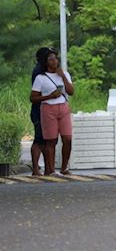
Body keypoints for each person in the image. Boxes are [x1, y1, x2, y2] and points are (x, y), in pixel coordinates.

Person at [30, 48, 75, 176]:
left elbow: (71, 92)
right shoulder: (40, 77)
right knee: (51, 140)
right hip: (48, 108)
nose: (54, 61)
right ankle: (50, 170)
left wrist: (63, 77)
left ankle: (64, 167)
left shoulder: (64, 74)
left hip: (64, 107)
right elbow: (33, 98)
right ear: (45, 62)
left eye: (56, 58)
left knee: (67, 138)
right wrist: (49, 96)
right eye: (51, 59)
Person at [28, 46, 51, 177]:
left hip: (45, 109)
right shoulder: (39, 72)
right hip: (39, 110)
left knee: (46, 139)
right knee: (39, 140)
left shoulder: (43, 70)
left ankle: (48, 168)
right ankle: (35, 169)